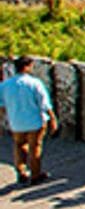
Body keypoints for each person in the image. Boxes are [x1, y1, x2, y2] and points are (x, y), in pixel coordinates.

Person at [1, 55, 56, 185]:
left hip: (16, 122)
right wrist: (52, 119)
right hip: (35, 121)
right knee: (35, 147)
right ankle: (35, 175)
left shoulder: (5, 85)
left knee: (19, 145)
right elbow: (44, 104)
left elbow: (1, 105)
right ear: (27, 67)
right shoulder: (35, 83)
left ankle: (21, 171)